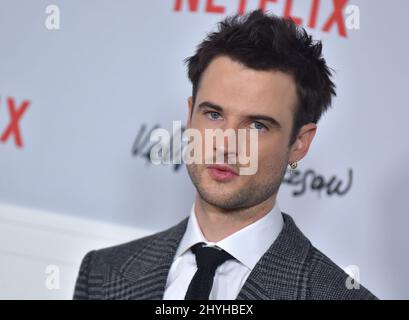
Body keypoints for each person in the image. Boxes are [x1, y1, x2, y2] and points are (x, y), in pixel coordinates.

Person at [73, 10, 377, 300]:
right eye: (214, 115)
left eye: (257, 125)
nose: (226, 145)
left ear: (299, 142)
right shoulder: (102, 274)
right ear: (190, 115)